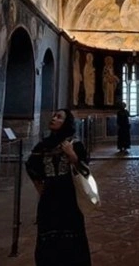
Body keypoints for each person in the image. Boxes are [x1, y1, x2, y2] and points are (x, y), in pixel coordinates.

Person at [25, 109, 92, 266]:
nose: (54, 118)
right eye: (54, 116)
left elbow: (84, 169)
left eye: (59, 117)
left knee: (72, 235)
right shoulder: (43, 146)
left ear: (67, 122)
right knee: (48, 235)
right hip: (49, 198)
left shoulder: (74, 144)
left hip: (69, 196)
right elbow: (31, 167)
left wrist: (71, 154)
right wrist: (40, 188)